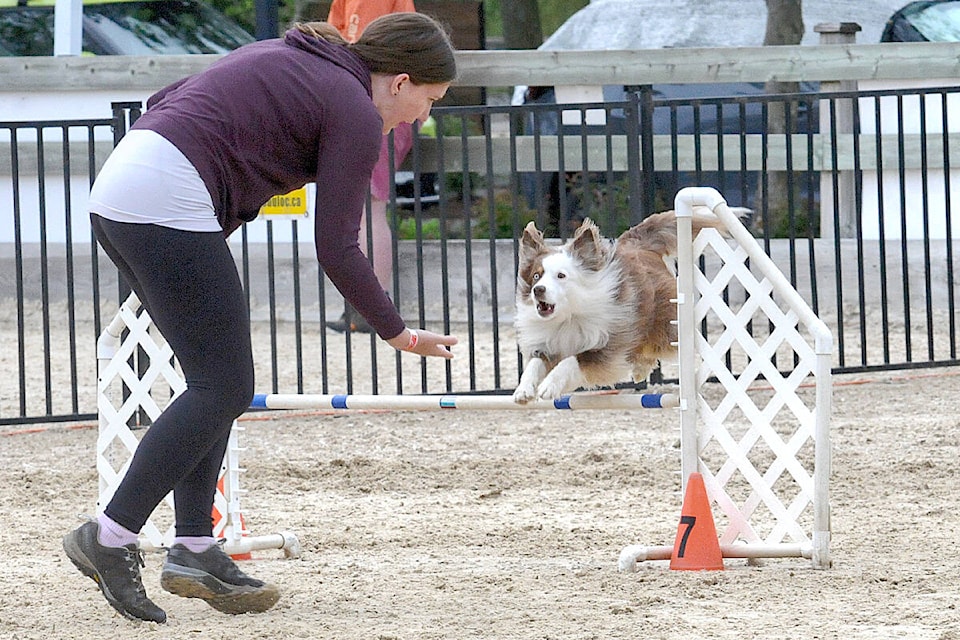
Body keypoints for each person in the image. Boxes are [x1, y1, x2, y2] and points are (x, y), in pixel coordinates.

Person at [62, 13, 458, 623]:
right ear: (400, 81)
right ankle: (110, 536)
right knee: (225, 385)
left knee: (214, 384)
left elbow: (165, 99)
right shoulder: (352, 106)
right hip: (166, 198)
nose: (420, 117)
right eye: (427, 101)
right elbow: (337, 245)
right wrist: (394, 329)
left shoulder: (294, 55)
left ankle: (194, 546)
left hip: (121, 186)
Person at [326, 0, 418, 334]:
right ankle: (366, 305)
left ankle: (370, 305)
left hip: (378, 101)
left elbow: (354, 46)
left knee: (369, 208)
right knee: (366, 208)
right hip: (368, 99)